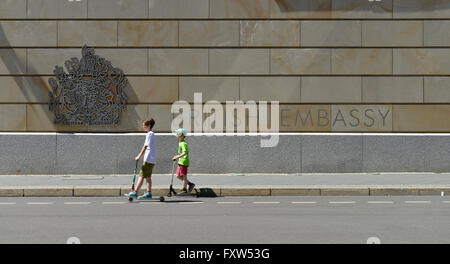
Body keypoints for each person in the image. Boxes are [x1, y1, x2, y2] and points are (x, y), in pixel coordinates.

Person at [125, 118, 156, 200]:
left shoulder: (149, 134)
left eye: (145, 126)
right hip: (152, 159)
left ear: (149, 126)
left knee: (141, 175)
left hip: (148, 158)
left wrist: (139, 156)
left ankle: (135, 192)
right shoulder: (152, 134)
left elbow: (145, 146)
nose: (144, 128)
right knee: (148, 177)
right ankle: (148, 193)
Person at [172, 128, 195, 194]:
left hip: (184, 162)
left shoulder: (183, 143)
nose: (176, 135)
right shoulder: (180, 142)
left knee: (184, 176)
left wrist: (177, 157)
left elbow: (184, 153)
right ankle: (190, 184)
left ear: (182, 135)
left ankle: (184, 189)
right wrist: (177, 157)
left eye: (178, 134)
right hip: (180, 161)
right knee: (178, 176)